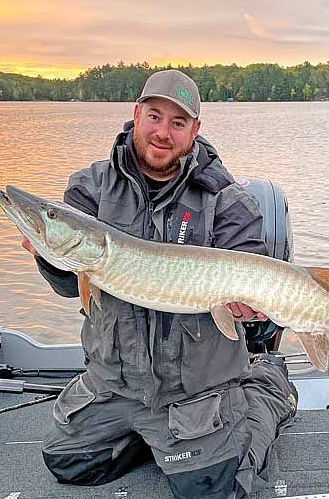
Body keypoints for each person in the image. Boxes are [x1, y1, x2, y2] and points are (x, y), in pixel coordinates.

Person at [22, 69, 297, 499]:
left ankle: (266, 388)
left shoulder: (226, 200)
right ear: (135, 115)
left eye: (178, 122)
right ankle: (156, 436)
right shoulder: (90, 187)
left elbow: (252, 266)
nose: (162, 132)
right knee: (68, 464)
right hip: (116, 383)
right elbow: (66, 283)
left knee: (214, 491)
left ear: (195, 130)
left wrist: (248, 306)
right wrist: (46, 252)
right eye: (154, 116)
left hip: (193, 389)